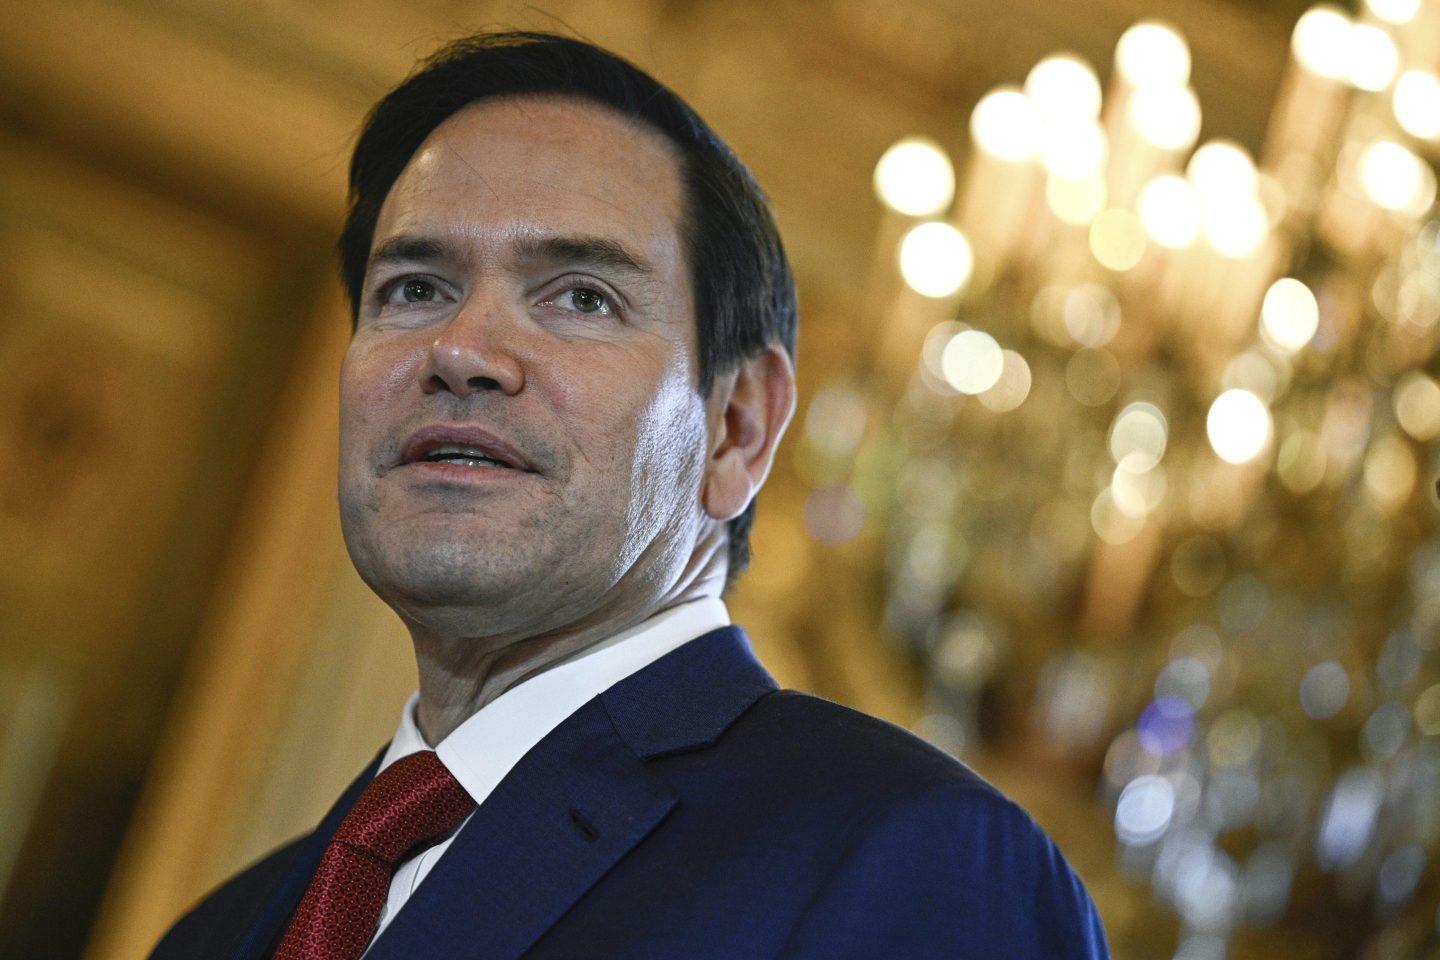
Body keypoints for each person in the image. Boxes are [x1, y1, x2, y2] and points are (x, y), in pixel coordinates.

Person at [148, 31, 1109, 960]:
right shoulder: (215, 934)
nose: (461, 351)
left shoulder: (914, 857)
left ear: (738, 426)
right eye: (413, 289)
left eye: (580, 297)